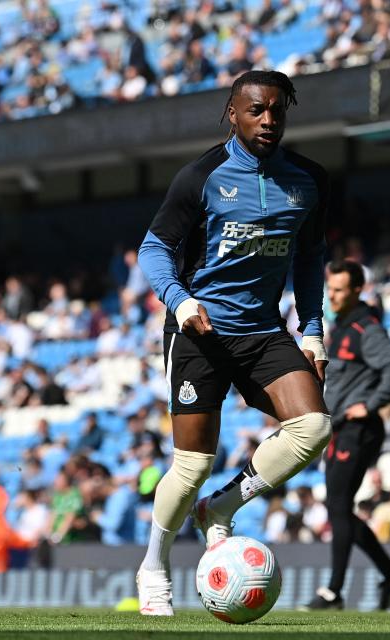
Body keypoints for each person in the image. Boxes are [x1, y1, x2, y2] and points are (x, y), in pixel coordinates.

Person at [135, 70, 331, 616]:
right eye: (256, 111)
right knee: (191, 464)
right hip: (201, 333)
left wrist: (312, 328)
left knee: (313, 427)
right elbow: (153, 249)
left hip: (265, 332)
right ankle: (154, 564)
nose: (268, 120)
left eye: (276, 110)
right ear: (233, 113)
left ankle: (219, 508)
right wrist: (180, 300)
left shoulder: (309, 180)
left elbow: (312, 258)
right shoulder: (201, 176)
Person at [304, 259, 390, 611]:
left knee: (338, 506)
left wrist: (371, 403)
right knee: (339, 509)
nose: (331, 296)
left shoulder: (366, 329)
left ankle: (334, 592)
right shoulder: (344, 327)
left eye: (337, 290)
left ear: (356, 290)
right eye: (329, 289)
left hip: (359, 429)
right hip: (341, 429)